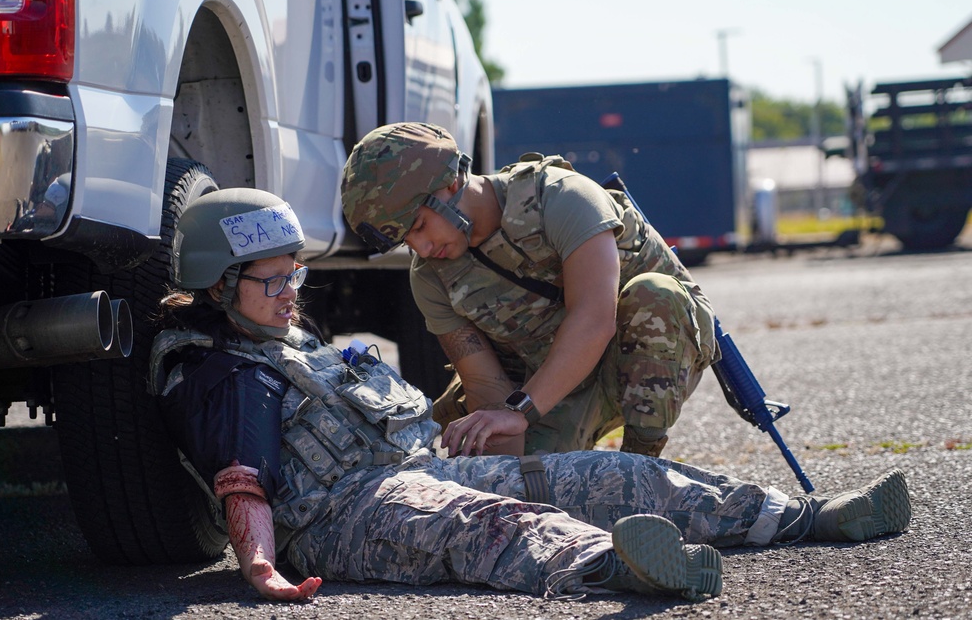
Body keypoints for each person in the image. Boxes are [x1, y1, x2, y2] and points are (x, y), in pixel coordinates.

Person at [150, 187, 912, 603]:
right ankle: (615, 566)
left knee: (605, 474)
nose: (292, 292)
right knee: (490, 522)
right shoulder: (223, 373)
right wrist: (262, 569)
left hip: (408, 468)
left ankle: (803, 515)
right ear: (220, 283)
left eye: (297, 274)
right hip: (339, 513)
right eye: (273, 278)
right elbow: (242, 480)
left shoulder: (282, 344)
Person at [340, 121, 718, 458]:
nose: (421, 248)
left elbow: (594, 320)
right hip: (549, 385)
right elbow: (485, 385)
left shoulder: (562, 197)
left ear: (450, 183)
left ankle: (642, 466)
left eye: (419, 225)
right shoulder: (430, 276)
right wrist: (503, 479)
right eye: (407, 240)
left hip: (640, 359)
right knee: (531, 484)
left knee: (655, 294)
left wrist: (519, 411)